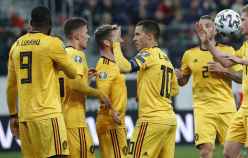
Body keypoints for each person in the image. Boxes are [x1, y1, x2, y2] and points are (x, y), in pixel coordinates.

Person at [196, 3, 248, 158]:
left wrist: (242, 60)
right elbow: (226, 62)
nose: (239, 23)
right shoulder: (246, 45)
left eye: (243, 19)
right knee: (229, 152)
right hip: (245, 107)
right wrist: (208, 44)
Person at [6, 6, 77, 158]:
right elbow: (72, 73)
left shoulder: (16, 46)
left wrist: (13, 115)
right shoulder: (52, 43)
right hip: (48, 116)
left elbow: (11, 86)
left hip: (25, 119)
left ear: (30, 23)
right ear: (50, 26)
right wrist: (59, 64)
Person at [176, 15, 242, 158]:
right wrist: (177, 75)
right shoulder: (189, 54)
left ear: (216, 30)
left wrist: (224, 71)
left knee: (232, 154)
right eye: (201, 26)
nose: (204, 29)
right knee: (206, 150)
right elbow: (183, 82)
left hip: (226, 107)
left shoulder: (228, 50)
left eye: (208, 25)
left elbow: (241, 78)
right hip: (203, 108)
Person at [112, 20, 179, 158]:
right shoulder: (166, 58)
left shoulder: (148, 54)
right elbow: (174, 90)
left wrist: (116, 43)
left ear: (149, 36)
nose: (134, 38)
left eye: (137, 34)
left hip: (151, 120)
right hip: (169, 120)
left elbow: (124, 67)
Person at [59, 17, 111, 158]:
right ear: (76, 35)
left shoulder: (63, 54)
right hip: (75, 121)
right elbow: (76, 85)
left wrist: (86, 80)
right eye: (85, 32)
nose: (88, 36)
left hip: (64, 119)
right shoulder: (76, 55)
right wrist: (99, 93)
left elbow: (71, 85)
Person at [93, 24, 128, 158]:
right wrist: (113, 111)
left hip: (116, 121)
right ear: (107, 43)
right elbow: (102, 93)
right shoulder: (104, 65)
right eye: (118, 38)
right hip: (110, 122)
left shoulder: (113, 64)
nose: (122, 41)